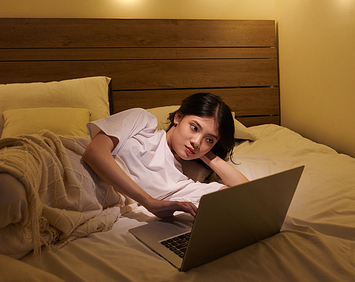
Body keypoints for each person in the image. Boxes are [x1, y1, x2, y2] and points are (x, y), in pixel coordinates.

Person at [82, 93, 249, 219]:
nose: (197, 142)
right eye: (194, 128)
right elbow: (94, 152)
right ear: (178, 117)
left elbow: (245, 193)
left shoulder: (180, 184)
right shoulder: (142, 122)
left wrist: (207, 155)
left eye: (209, 139)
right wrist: (148, 201)